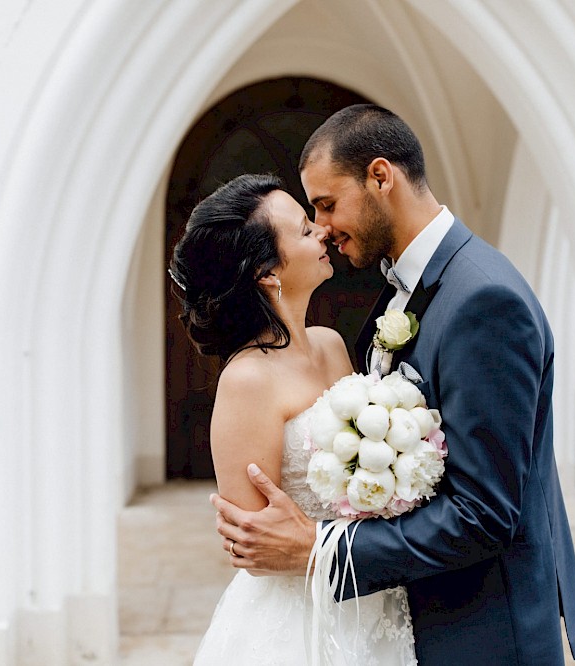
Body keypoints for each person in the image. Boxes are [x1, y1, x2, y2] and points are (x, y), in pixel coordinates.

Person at [211, 105, 575, 664]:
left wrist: (322, 550)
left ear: (381, 177)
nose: (323, 228)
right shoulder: (403, 291)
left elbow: (483, 512)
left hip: (482, 632)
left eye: (327, 204)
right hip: (409, 618)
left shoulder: (484, 300)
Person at [169, 173, 418, 665]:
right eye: (305, 230)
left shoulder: (330, 342)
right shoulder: (248, 381)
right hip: (297, 621)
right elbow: (253, 547)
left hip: (369, 590)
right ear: (267, 271)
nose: (323, 232)